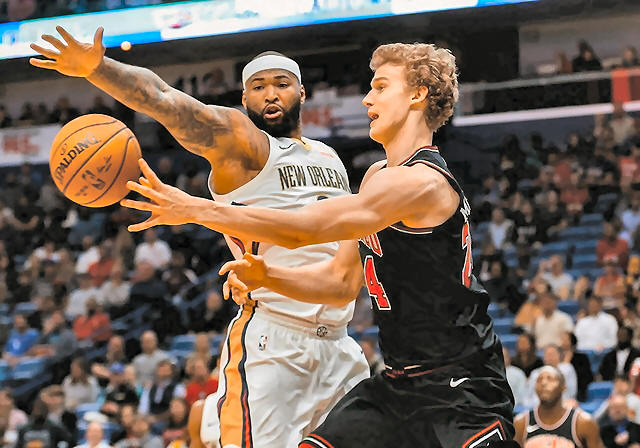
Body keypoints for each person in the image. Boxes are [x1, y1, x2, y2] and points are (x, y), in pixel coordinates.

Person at [123, 42, 516, 447]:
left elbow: (304, 229)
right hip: (399, 386)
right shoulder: (377, 176)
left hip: (462, 386)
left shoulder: (422, 182)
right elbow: (339, 281)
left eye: (381, 87)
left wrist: (196, 209)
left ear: (417, 95)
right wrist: (268, 275)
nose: (367, 99)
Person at [33, 26, 371, 448]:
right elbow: (166, 100)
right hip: (276, 343)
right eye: (258, 87)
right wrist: (99, 69)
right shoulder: (244, 145)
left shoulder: (330, 157)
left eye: (282, 84)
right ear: (244, 99)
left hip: (340, 343)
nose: (270, 94)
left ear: (302, 93)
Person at [514, 366, 602, 447]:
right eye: (539, 380)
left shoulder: (584, 423)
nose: (543, 383)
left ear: (563, 387)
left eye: (550, 379)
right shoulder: (521, 423)